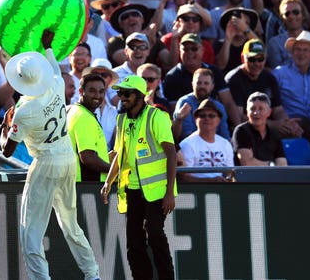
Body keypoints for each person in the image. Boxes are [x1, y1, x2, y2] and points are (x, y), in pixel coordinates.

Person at [1, 30, 101, 280]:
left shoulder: (24, 111)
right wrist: (47, 46)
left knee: (31, 230)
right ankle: (92, 274)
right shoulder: (56, 84)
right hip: (67, 157)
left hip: (45, 163)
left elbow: (7, 150)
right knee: (70, 224)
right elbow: (54, 65)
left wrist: (5, 127)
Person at [100, 75, 176, 279]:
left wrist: (169, 192)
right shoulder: (122, 119)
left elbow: (171, 153)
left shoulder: (156, 116)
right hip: (132, 189)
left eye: (127, 93)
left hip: (157, 191)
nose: (121, 98)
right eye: (120, 93)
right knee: (133, 242)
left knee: (155, 234)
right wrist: (108, 181)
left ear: (140, 95)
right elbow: (118, 154)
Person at [225, 38, 303, 137]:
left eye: (260, 59)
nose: (256, 63)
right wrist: (274, 125)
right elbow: (238, 117)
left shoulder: (269, 78)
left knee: (295, 132)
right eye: (252, 59)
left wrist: (287, 123)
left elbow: (278, 109)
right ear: (242, 58)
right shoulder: (234, 79)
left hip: (264, 124)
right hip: (243, 129)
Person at [272, 31, 310, 143]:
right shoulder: (279, 74)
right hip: (288, 123)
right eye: (297, 49)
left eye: (305, 50)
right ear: (292, 53)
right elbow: (273, 104)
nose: (300, 54)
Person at [67, 73, 111, 182]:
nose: (97, 95)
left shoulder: (79, 111)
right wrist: (113, 171)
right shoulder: (83, 116)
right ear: (81, 92)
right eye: (92, 91)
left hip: (84, 185)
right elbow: (87, 158)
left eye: (101, 91)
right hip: (88, 187)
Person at [178, 98, 235, 182]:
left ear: (219, 120)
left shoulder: (225, 144)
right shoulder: (187, 144)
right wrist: (210, 181)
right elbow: (184, 177)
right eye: (202, 115)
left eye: (211, 116)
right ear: (195, 119)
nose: (207, 118)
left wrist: (228, 179)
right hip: (195, 191)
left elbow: (230, 173)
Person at [173, 68, 230, 142]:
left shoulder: (219, 107)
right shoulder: (185, 103)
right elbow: (186, 135)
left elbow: (224, 135)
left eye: (206, 83)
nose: (202, 86)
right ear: (192, 84)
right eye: (199, 83)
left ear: (212, 86)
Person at [231, 92, 288, 166]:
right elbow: (246, 163)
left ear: (269, 112)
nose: (256, 113)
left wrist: (257, 162)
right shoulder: (241, 131)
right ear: (247, 111)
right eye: (252, 109)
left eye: (261, 109)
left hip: (270, 177)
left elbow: (282, 165)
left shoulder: (274, 134)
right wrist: (271, 164)